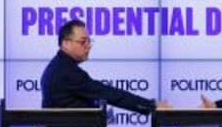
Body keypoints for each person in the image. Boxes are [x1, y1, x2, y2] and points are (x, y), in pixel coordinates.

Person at [41, 19, 169, 114]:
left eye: (89, 41)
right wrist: (151, 105)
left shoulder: (59, 66)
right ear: (66, 44)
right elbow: (109, 94)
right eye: (83, 41)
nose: (88, 46)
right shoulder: (66, 72)